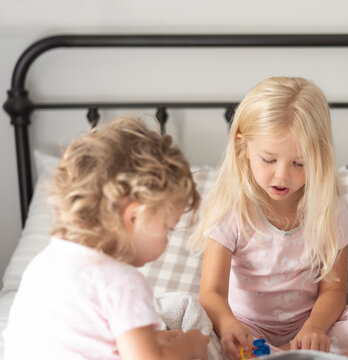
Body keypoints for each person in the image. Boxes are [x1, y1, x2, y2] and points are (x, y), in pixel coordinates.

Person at [189, 77, 348, 360]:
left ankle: (278, 355)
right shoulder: (232, 210)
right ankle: (306, 356)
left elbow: (334, 290)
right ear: (243, 148)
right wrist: (229, 328)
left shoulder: (329, 210)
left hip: (310, 327)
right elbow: (212, 293)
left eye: (299, 163)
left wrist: (314, 328)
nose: (282, 175)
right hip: (246, 328)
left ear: (319, 157)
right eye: (268, 159)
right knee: (193, 335)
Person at [3, 117, 209, 360]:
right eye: (168, 228)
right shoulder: (124, 283)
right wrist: (191, 345)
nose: (167, 241)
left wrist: (156, 342)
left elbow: (88, 340)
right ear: (135, 216)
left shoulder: (44, 263)